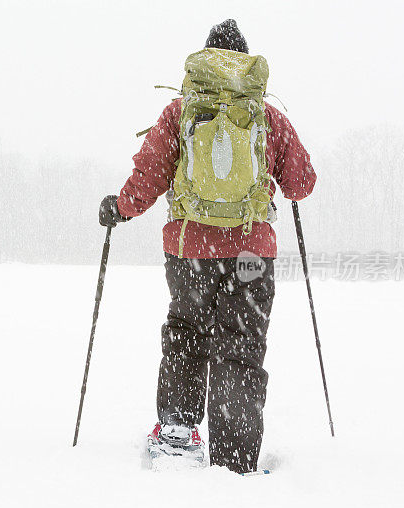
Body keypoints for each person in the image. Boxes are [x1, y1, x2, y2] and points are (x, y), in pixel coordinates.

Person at [98, 19, 316, 474]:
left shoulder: (181, 110)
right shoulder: (266, 115)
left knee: (187, 332)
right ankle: (235, 455)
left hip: (188, 249)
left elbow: (150, 175)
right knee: (242, 343)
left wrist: (119, 208)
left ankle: (177, 432)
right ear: (245, 63)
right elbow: (301, 182)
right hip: (252, 254)